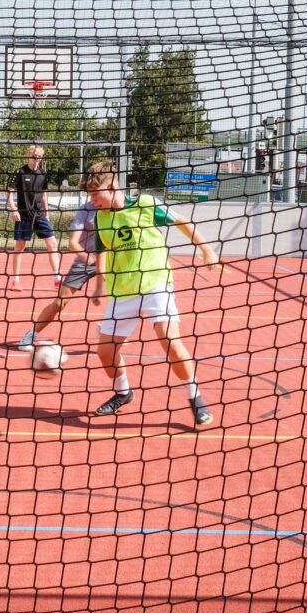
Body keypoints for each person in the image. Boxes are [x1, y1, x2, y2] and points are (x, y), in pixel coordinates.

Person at [80, 160, 221, 428]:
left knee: (169, 340)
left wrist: (207, 250)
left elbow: (182, 221)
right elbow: (102, 250)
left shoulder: (146, 204)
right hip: (122, 290)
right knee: (105, 352)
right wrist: (99, 284)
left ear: (111, 187)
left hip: (156, 283)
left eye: (95, 195)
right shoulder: (100, 216)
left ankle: (196, 399)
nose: (92, 201)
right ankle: (124, 393)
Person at [18, 196, 102, 350]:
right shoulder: (85, 210)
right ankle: (31, 334)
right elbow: (72, 243)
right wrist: (86, 256)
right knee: (60, 302)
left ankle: (109, 329)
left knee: (130, 295)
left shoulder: (117, 208)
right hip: (85, 262)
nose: (93, 195)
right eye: (91, 191)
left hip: (110, 261)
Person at [5, 144, 62, 292]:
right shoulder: (19, 172)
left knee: (53, 245)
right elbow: (10, 194)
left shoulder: (43, 174)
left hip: (40, 216)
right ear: (29, 155)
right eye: (34, 156)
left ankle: (57, 279)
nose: (36, 159)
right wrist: (14, 210)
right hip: (23, 216)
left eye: (39, 157)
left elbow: (44, 195)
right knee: (19, 248)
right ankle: (15, 281)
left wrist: (47, 214)